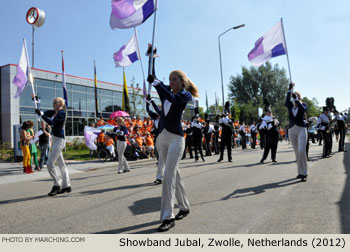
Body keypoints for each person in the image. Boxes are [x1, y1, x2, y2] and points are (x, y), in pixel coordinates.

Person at [147, 69, 198, 232]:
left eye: (174, 79)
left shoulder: (185, 96)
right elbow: (159, 84)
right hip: (162, 137)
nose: (171, 82)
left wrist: (157, 83)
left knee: (168, 176)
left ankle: (167, 217)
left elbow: (172, 99)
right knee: (174, 174)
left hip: (176, 139)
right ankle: (184, 207)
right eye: (169, 80)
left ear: (182, 82)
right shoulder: (167, 92)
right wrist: (151, 57)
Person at [35, 97, 71, 196]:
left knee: (50, 163)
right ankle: (66, 185)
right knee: (61, 164)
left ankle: (57, 184)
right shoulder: (52, 112)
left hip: (60, 139)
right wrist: (37, 102)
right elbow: (43, 113)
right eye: (53, 102)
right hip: (54, 139)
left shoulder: (62, 113)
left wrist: (41, 114)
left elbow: (52, 123)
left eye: (56, 102)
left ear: (61, 104)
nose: (54, 104)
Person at [285, 83, 308, 182]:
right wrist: (289, 90)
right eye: (294, 96)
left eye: (297, 96)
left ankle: (305, 172)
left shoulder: (303, 105)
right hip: (292, 130)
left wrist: (296, 99)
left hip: (301, 129)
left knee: (301, 150)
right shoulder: (290, 106)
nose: (294, 97)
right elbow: (286, 102)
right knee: (296, 153)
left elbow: (303, 110)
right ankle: (300, 172)